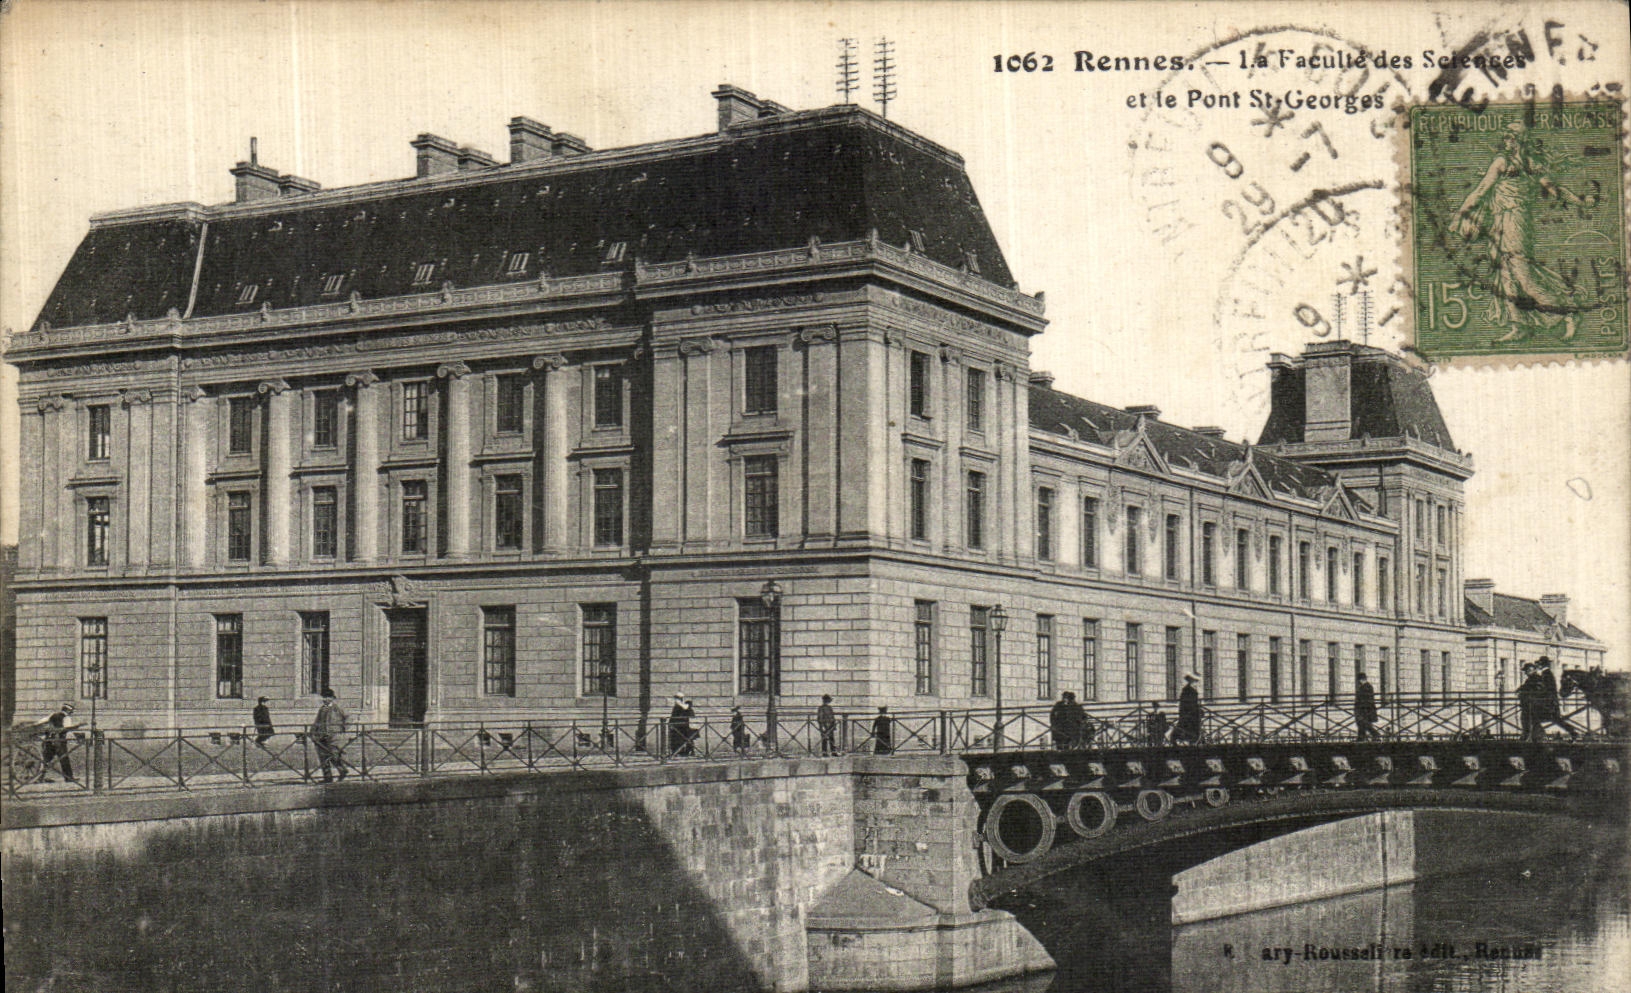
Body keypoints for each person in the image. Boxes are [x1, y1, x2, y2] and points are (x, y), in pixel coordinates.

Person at [1451, 121, 1593, 342]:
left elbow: (1554, 189)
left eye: (1510, 137)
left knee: (1522, 275)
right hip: (1499, 222)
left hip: (1516, 221)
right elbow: (1481, 191)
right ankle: (1520, 326)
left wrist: (1580, 201)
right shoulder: (1504, 162)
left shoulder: (1526, 164)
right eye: (1506, 137)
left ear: (1519, 140)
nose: (1506, 141)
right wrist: (1461, 213)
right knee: (1506, 274)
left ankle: (1569, 313)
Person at [1533, 657, 1580, 740]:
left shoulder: (1546, 674)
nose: (1538, 665)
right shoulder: (1547, 673)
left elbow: (1547, 689)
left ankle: (1540, 736)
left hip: (1548, 703)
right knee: (1556, 720)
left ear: (1542, 664)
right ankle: (1573, 732)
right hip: (1551, 702)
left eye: (1539, 664)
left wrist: (1538, 694)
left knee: (1534, 717)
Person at [310, 688, 349, 783]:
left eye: (327, 697)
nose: (324, 699)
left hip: (334, 736)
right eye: (323, 697)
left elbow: (348, 719)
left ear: (332, 698)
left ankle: (342, 770)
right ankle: (327, 777)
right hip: (321, 736)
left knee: (334, 755)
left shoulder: (337, 708)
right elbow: (316, 721)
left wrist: (342, 730)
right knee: (323, 757)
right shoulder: (322, 709)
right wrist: (312, 732)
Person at [37, 702, 78, 782]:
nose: (71, 713)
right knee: (64, 760)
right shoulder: (66, 718)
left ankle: (39, 777)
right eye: (71, 711)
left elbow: (42, 722)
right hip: (59, 741)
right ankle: (69, 778)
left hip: (49, 740)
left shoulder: (52, 715)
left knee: (46, 760)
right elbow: (66, 729)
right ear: (68, 711)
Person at [1173, 674, 1203, 744]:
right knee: (1189, 728)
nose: (1196, 683)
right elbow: (1188, 703)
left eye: (1196, 681)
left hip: (1191, 713)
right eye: (1195, 681)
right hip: (1189, 713)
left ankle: (1193, 740)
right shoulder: (1188, 690)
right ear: (1191, 681)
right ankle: (1191, 740)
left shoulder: (1190, 689)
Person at [1354, 671, 1380, 741]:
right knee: (1362, 724)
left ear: (1361, 680)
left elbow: (1364, 699)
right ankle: (1361, 739)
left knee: (1363, 723)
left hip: (1365, 709)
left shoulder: (1365, 687)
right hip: (1366, 709)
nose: (1358, 682)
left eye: (1359, 680)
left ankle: (1374, 734)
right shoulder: (1368, 686)